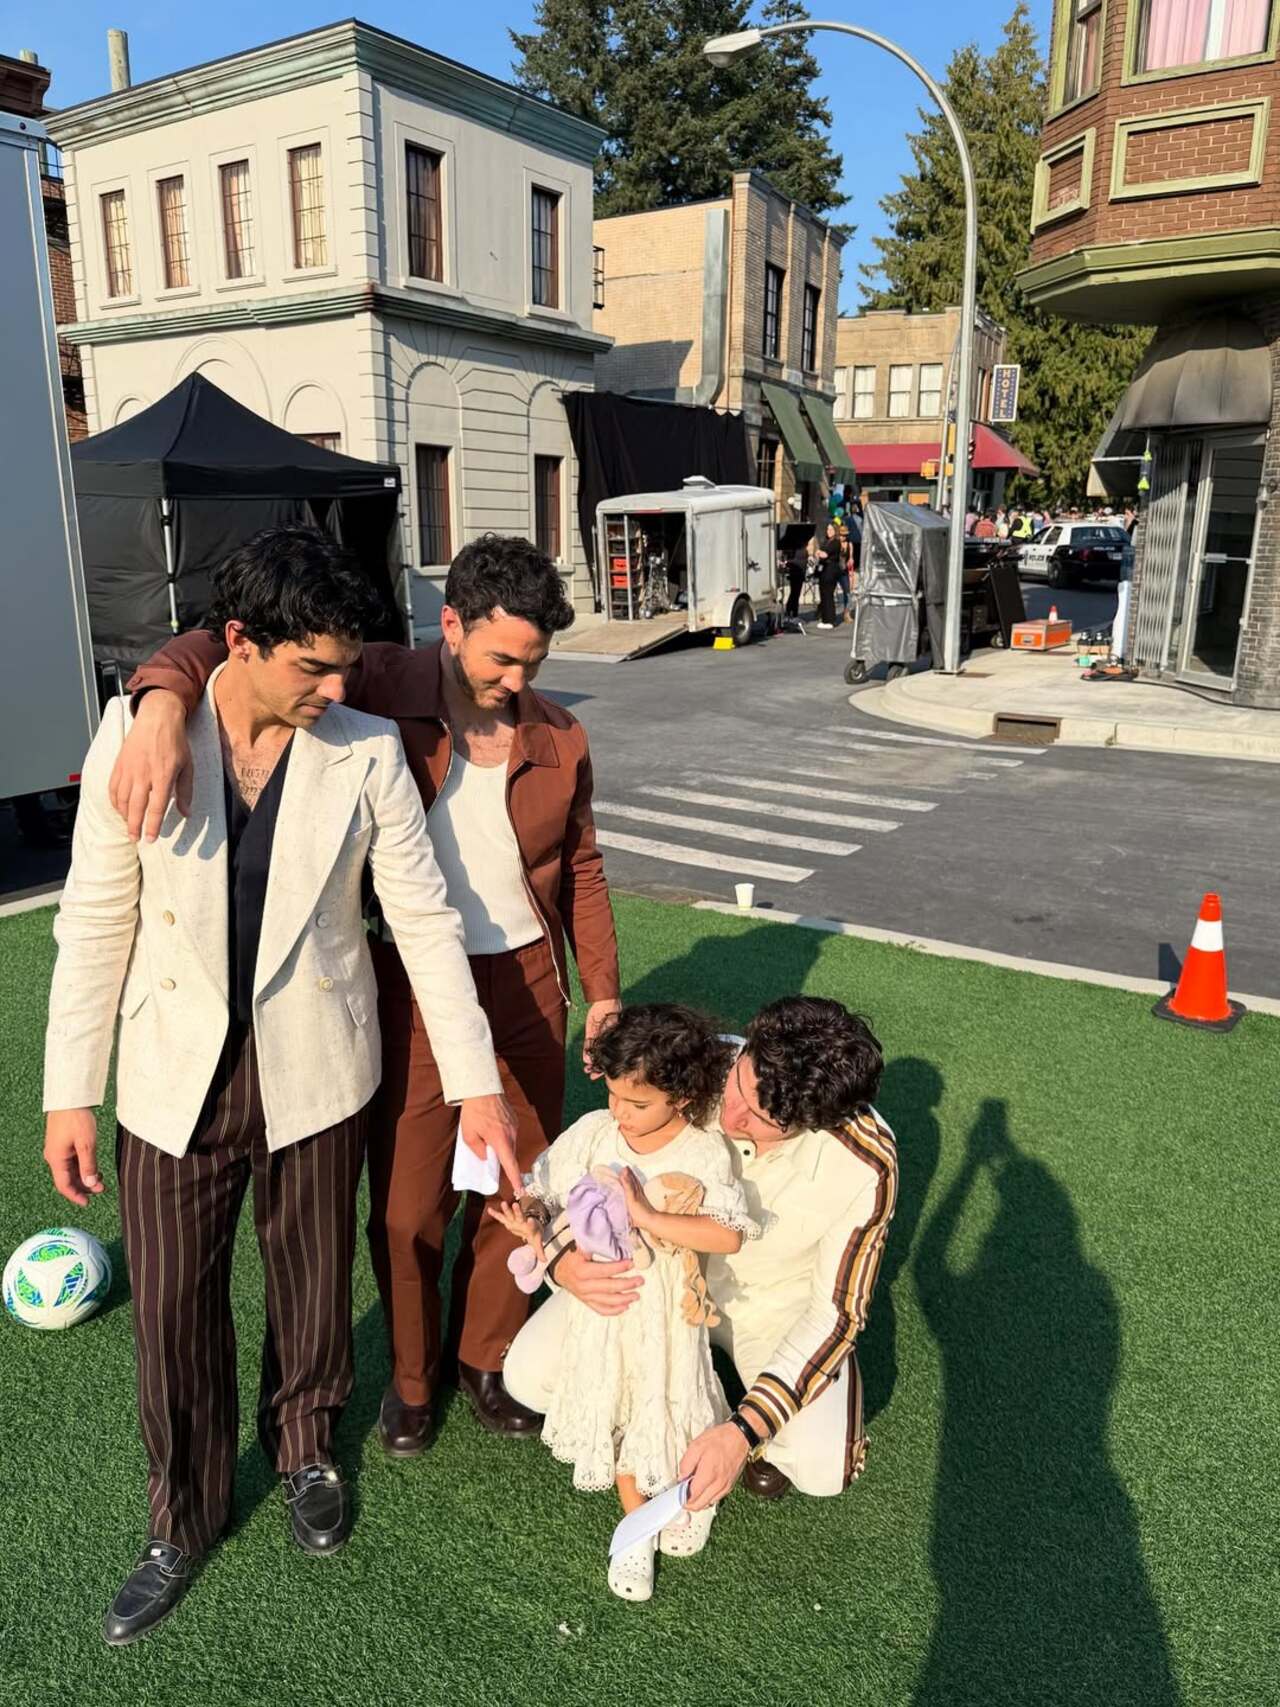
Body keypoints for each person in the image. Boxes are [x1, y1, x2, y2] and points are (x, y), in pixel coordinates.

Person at [42, 529, 512, 1646]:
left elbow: (426, 923)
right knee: (167, 1310)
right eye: (310, 667)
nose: (335, 688)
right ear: (238, 643)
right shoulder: (142, 731)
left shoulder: (365, 753)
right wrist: (70, 1090)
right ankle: (180, 1519)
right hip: (173, 1074)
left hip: (316, 1066)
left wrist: (476, 1081)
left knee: (308, 1283)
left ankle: (304, 1452)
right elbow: (95, 918)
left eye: (344, 665)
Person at [113, 534, 621, 1454]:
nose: (516, 678)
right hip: (413, 986)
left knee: (521, 1179)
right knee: (404, 1202)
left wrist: (605, 992)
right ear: (452, 625)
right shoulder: (378, 682)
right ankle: (414, 1378)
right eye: (501, 656)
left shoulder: (558, 734)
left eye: (534, 662)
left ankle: (487, 1353)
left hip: (529, 983)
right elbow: (225, 646)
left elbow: (582, 866)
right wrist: (157, 702)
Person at [511, 997, 897, 1510]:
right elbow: (586, 1163)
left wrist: (742, 1433)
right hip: (652, 1278)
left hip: (768, 1305)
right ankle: (686, 1407)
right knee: (527, 1378)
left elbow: (838, 1314)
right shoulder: (700, 1061)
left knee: (823, 1465)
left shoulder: (867, 1163)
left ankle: (738, 1426)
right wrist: (561, 1260)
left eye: (761, 1117)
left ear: (815, 1120)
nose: (731, 1115)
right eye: (740, 1082)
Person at [500, 1006, 756, 1602]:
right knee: (619, 1404)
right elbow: (542, 1187)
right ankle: (638, 1525)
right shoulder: (595, 1132)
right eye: (614, 1096)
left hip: (664, 1313)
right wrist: (532, 1221)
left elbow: (729, 1234)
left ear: (683, 1095)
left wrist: (646, 1214)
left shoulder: (701, 1152)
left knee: (665, 1399)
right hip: (604, 1310)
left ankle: (682, 1489)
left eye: (637, 1104)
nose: (620, 1113)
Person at [816, 523, 842, 629]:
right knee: (823, 594)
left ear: (835, 530)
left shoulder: (835, 542)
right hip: (824, 570)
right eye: (827, 529)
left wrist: (818, 552)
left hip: (830, 570)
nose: (828, 531)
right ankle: (825, 619)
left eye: (831, 529)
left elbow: (825, 554)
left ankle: (830, 620)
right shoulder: (826, 541)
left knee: (828, 594)